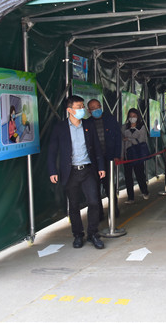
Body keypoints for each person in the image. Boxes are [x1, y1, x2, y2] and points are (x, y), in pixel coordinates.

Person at [47, 95, 106, 250]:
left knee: (94, 202)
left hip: (88, 170)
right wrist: (52, 170)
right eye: (79, 107)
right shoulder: (60, 128)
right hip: (70, 172)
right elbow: (52, 151)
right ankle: (78, 235)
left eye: (82, 107)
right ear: (69, 110)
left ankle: (93, 233)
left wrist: (101, 167)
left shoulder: (88, 125)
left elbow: (97, 147)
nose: (82, 110)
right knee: (74, 205)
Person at [87, 99, 122, 220]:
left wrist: (117, 155)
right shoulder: (87, 123)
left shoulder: (110, 119)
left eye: (98, 107)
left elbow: (118, 138)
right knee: (95, 188)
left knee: (109, 186)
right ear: (89, 111)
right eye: (93, 108)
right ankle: (99, 213)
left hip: (109, 158)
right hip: (94, 161)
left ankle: (114, 210)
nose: (96, 110)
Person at [122, 108, 150, 204]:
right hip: (127, 155)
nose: (132, 118)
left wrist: (129, 139)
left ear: (138, 116)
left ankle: (145, 191)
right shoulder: (124, 127)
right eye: (130, 116)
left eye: (134, 116)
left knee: (140, 174)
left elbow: (141, 140)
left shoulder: (141, 127)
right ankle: (130, 197)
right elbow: (122, 141)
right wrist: (122, 155)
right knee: (128, 177)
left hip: (138, 154)